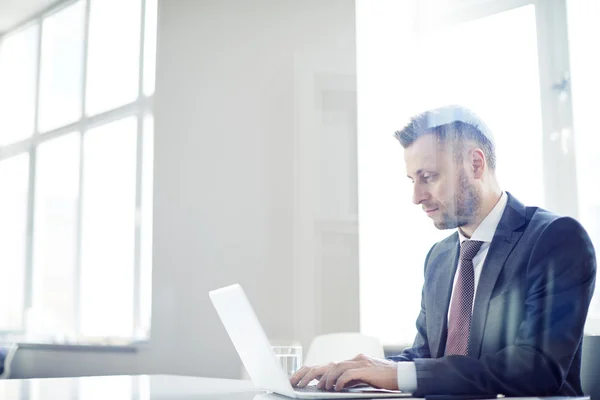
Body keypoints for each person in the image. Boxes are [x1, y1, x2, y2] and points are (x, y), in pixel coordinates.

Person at [290, 105, 597, 396]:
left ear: (475, 164)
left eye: (429, 177)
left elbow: (535, 369)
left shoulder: (555, 239)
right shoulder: (439, 257)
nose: (416, 196)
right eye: (413, 180)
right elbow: (424, 357)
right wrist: (354, 372)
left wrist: (398, 375)